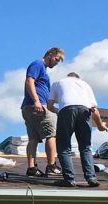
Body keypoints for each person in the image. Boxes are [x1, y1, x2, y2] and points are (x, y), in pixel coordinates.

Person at [47, 72, 108, 188]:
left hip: (66, 110)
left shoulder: (58, 82)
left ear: (68, 77)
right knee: (85, 147)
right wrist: (100, 125)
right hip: (84, 110)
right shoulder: (85, 84)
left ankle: (69, 179)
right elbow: (94, 110)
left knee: (64, 146)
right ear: (77, 78)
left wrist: (58, 111)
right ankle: (91, 178)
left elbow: (49, 105)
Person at [21, 48, 65, 177]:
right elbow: (29, 81)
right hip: (38, 106)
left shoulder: (43, 69)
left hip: (29, 107)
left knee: (33, 138)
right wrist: (36, 101)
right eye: (56, 59)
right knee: (51, 135)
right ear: (50, 54)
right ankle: (51, 166)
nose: (56, 63)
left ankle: (32, 168)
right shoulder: (38, 64)